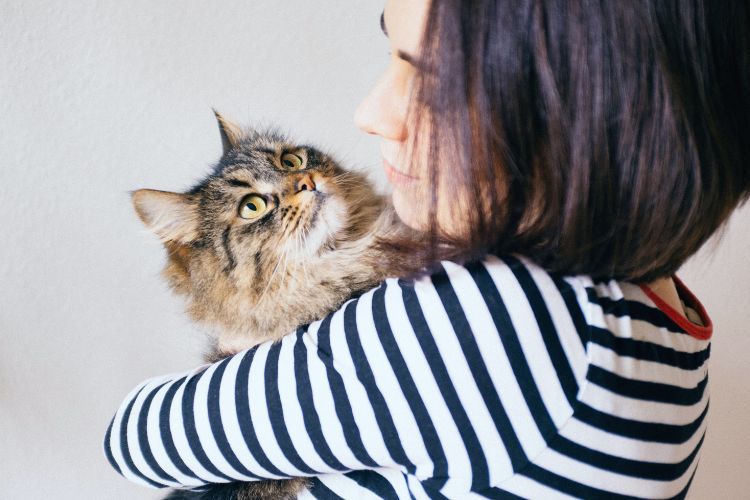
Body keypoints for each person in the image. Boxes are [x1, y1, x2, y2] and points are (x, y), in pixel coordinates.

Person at [104, 0, 749, 498]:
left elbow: (136, 438)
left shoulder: (502, 320)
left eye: (432, 77)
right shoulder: (649, 317)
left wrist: (247, 358)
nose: (372, 112)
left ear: (582, 108)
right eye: (391, 52)